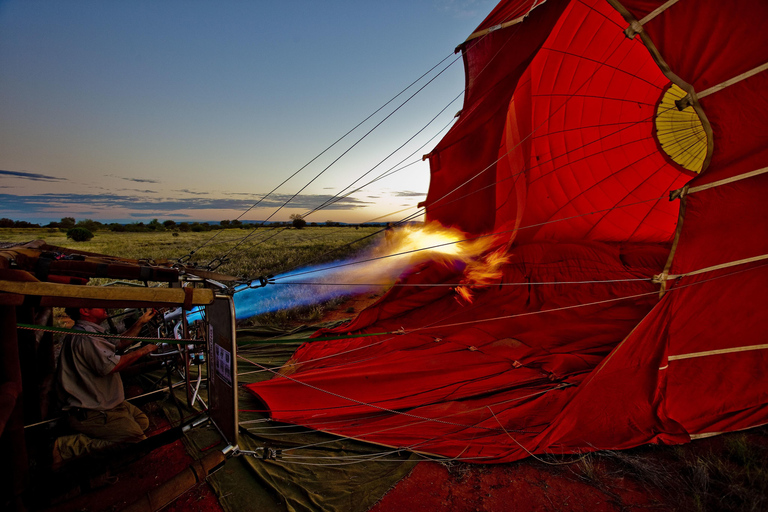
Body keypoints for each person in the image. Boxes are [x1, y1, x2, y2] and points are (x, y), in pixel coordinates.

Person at [53, 307, 158, 464]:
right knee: (136, 442)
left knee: (142, 422)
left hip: (108, 403)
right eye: (97, 304)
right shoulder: (86, 337)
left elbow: (120, 342)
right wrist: (143, 351)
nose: (104, 306)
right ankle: (68, 447)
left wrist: (141, 322)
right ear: (85, 311)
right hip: (91, 410)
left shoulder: (91, 331)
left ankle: (109, 432)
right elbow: (110, 367)